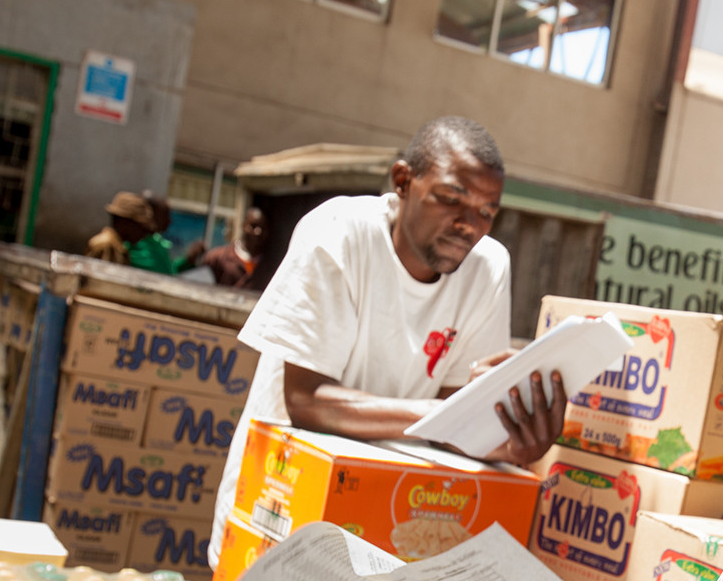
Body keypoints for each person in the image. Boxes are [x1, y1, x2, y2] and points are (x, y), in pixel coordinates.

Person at [209, 116, 564, 568]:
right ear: (403, 181)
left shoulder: (488, 268)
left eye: (486, 211)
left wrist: (512, 444)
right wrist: (448, 418)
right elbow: (305, 399)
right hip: (279, 506)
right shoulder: (339, 232)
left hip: (377, 525)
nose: (468, 225)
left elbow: (458, 430)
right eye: (451, 199)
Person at [197, 207, 268, 289]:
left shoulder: (270, 267)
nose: (257, 232)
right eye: (253, 226)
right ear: (243, 225)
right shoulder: (218, 257)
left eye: (263, 228)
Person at [128, 192, 191, 275]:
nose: (169, 221)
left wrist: (187, 261)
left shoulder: (157, 241)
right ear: (149, 215)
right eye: (165, 215)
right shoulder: (134, 244)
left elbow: (167, 271)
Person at [85, 191, 154, 265]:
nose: (143, 234)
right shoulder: (104, 245)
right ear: (124, 222)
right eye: (140, 228)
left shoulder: (121, 249)